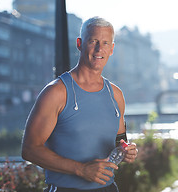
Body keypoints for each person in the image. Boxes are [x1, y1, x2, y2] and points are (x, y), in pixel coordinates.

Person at [22, 16, 138, 192]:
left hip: (108, 189)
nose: (99, 49)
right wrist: (81, 169)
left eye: (106, 43)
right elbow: (29, 150)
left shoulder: (116, 94)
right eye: (93, 41)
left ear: (112, 49)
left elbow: (119, 142)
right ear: (79, 43)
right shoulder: (56, 92)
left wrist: (126, 151)